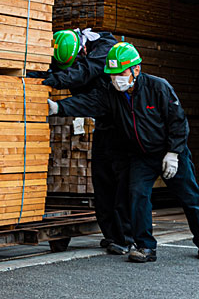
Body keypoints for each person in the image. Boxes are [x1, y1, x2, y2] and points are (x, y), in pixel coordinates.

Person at [47, 42, 199, 263]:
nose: (115, 78)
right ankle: (145, 247)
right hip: (141, 156)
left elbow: (178, 122)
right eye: (112, 74)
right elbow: (88, 102)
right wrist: (59, 108)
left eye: (121, 73)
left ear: (136, 69)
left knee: (190, 196)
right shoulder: (111, 94)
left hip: (170, 153)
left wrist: (174, 152)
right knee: (137, 196)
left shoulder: (158, 87)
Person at [31, 28, 131, 255]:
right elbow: (57, 70)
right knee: (102, 183)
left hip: (122, 126)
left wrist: (61, 104)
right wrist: (33, 76)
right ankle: (112, 236)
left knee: (122, 185)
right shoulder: (72, 52)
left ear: (82, 49)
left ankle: (127, 237)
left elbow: (84, 73)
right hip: (103, 126)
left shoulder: (106, 48)